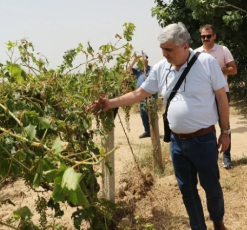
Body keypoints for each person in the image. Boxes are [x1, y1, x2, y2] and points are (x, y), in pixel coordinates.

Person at [88, 22, 230, 230]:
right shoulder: (161, 68)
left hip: (203, 140)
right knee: (187, 191)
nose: (164, 54)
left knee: (212, 188)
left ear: (184, 46)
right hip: (177, 143)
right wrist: (111, 103)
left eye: (168, 49)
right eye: (162, 49)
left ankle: (218, 222)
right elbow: (139, 94)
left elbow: (221, 97)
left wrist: (225, 132)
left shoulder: (207, 63)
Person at [194, 24, 237, 169]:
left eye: (208, 36)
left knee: (224, 126)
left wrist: (217, 69)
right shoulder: (195, 53)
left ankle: (226, 157)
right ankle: (209, 156)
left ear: (214, 36)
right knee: (205, 126)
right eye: (203, 36)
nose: (205, 39)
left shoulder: (223, 50)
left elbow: (233, 70)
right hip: (204, 95)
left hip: (221, 93)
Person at [127, 52, 157, 138]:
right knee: (143, 114)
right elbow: (128, 70)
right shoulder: (138, 71)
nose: (140, 63)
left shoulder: (152, 69)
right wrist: (134, 61)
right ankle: (147, 131)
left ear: (146, 61)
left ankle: (154, 131)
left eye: (142, 61)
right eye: (139, 62)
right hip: (141, 96)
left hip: (151, 95)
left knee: (152, 114)